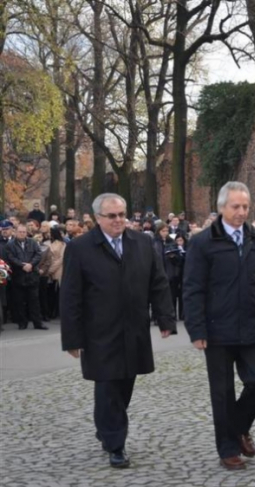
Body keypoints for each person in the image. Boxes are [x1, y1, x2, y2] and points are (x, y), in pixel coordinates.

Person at [60, 193, 176, 468]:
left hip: (134, 328)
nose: (118, 220)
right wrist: (72, 338)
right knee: (108, 385)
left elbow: (158, 283)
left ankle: (106, 425)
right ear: (98, 218)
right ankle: (116, 444)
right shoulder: (80, 248)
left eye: (122, 214)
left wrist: (165, 319)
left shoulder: (142, 243)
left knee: (124, 384)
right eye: (111, 216)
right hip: (98, 332)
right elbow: (71, 296)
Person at [183, 181, 255, 470]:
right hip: (217, 329)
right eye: (235, 207)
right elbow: (192, 289)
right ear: (221, 208)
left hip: (252, 324)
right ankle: (227, 447)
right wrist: (197, 330)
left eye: (245, 207)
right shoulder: (202, 242)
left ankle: (239, 426)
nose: (241, 212)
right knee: (222, 391)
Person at [3, 224, 47, 330]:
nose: (22, 234)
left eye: (24, 232)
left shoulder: (32, 242)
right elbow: (10, 257)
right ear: (15, 232)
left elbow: (38, 254)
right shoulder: (10, 244)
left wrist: (31, 264)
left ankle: (38, 323)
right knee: (19, 302)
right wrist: (22, 265)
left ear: (26, 232)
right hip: (18, 276)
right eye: (20, 232)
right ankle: (22, 323)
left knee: (34, 301)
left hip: (32, 276)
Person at [39, 226, 66, 319]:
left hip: (57, 270)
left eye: (50, 233)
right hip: (46, 271)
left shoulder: (62, 244)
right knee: (48, 293)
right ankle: (48, 312)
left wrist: (51, 269)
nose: (48, 235)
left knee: (57, 292)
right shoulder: (45, 243)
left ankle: (56, 312)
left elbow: (61, 259)